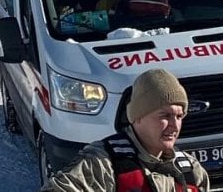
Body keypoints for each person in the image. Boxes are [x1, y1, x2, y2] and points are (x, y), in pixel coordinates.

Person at [40, 68, 210, 192]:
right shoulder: (103, 164)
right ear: (138, 117)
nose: (174, 125)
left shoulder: (190, 170)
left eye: (179, 116)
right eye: (164, 116)